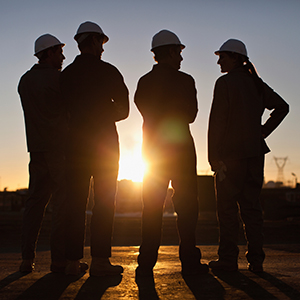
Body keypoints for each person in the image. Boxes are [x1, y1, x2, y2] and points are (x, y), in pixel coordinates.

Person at [208, 39, 289, 272]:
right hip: (255, 154)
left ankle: (228, 260)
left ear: (234, 57)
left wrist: (214, 158)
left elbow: (217, 123)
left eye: (222, 57)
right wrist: (263, 131)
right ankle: (256, 261)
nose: (218, 61)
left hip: (230, 157)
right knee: (252, 208)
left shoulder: (224, 83)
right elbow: (282, 107)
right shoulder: (256, 84)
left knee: (227, 209)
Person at [134, 30, 209, 277]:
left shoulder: (144, 82)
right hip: (181, 152)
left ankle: (146, 263)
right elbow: (190, 115)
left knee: (152, 207)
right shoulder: (186, 81)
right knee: (187, 207)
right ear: (171, 51)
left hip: (154, 153)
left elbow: (143, 109)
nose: (181, 58)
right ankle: (189, 261)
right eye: (179, 52)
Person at [60, 21, 129, 276]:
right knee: (104, 203)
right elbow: (123, 110)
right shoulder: (109, 71)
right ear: (92, 41)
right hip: (105, 148)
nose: (102, 47)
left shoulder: (66, 75)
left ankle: (71, 263)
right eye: (101, 41)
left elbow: (61, 112)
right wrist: (102, 113)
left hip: (75, 146)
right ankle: (100, 262)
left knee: (75, 203)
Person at [18, 34, 67, 273]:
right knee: (61, 204)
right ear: (48, 53)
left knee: (34, 204)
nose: (63, 56)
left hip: (36, 149)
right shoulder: (59, 79)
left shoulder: (24, 81)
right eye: (59, 52)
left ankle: (27, 259)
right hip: (59, 149)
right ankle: (59, 261)